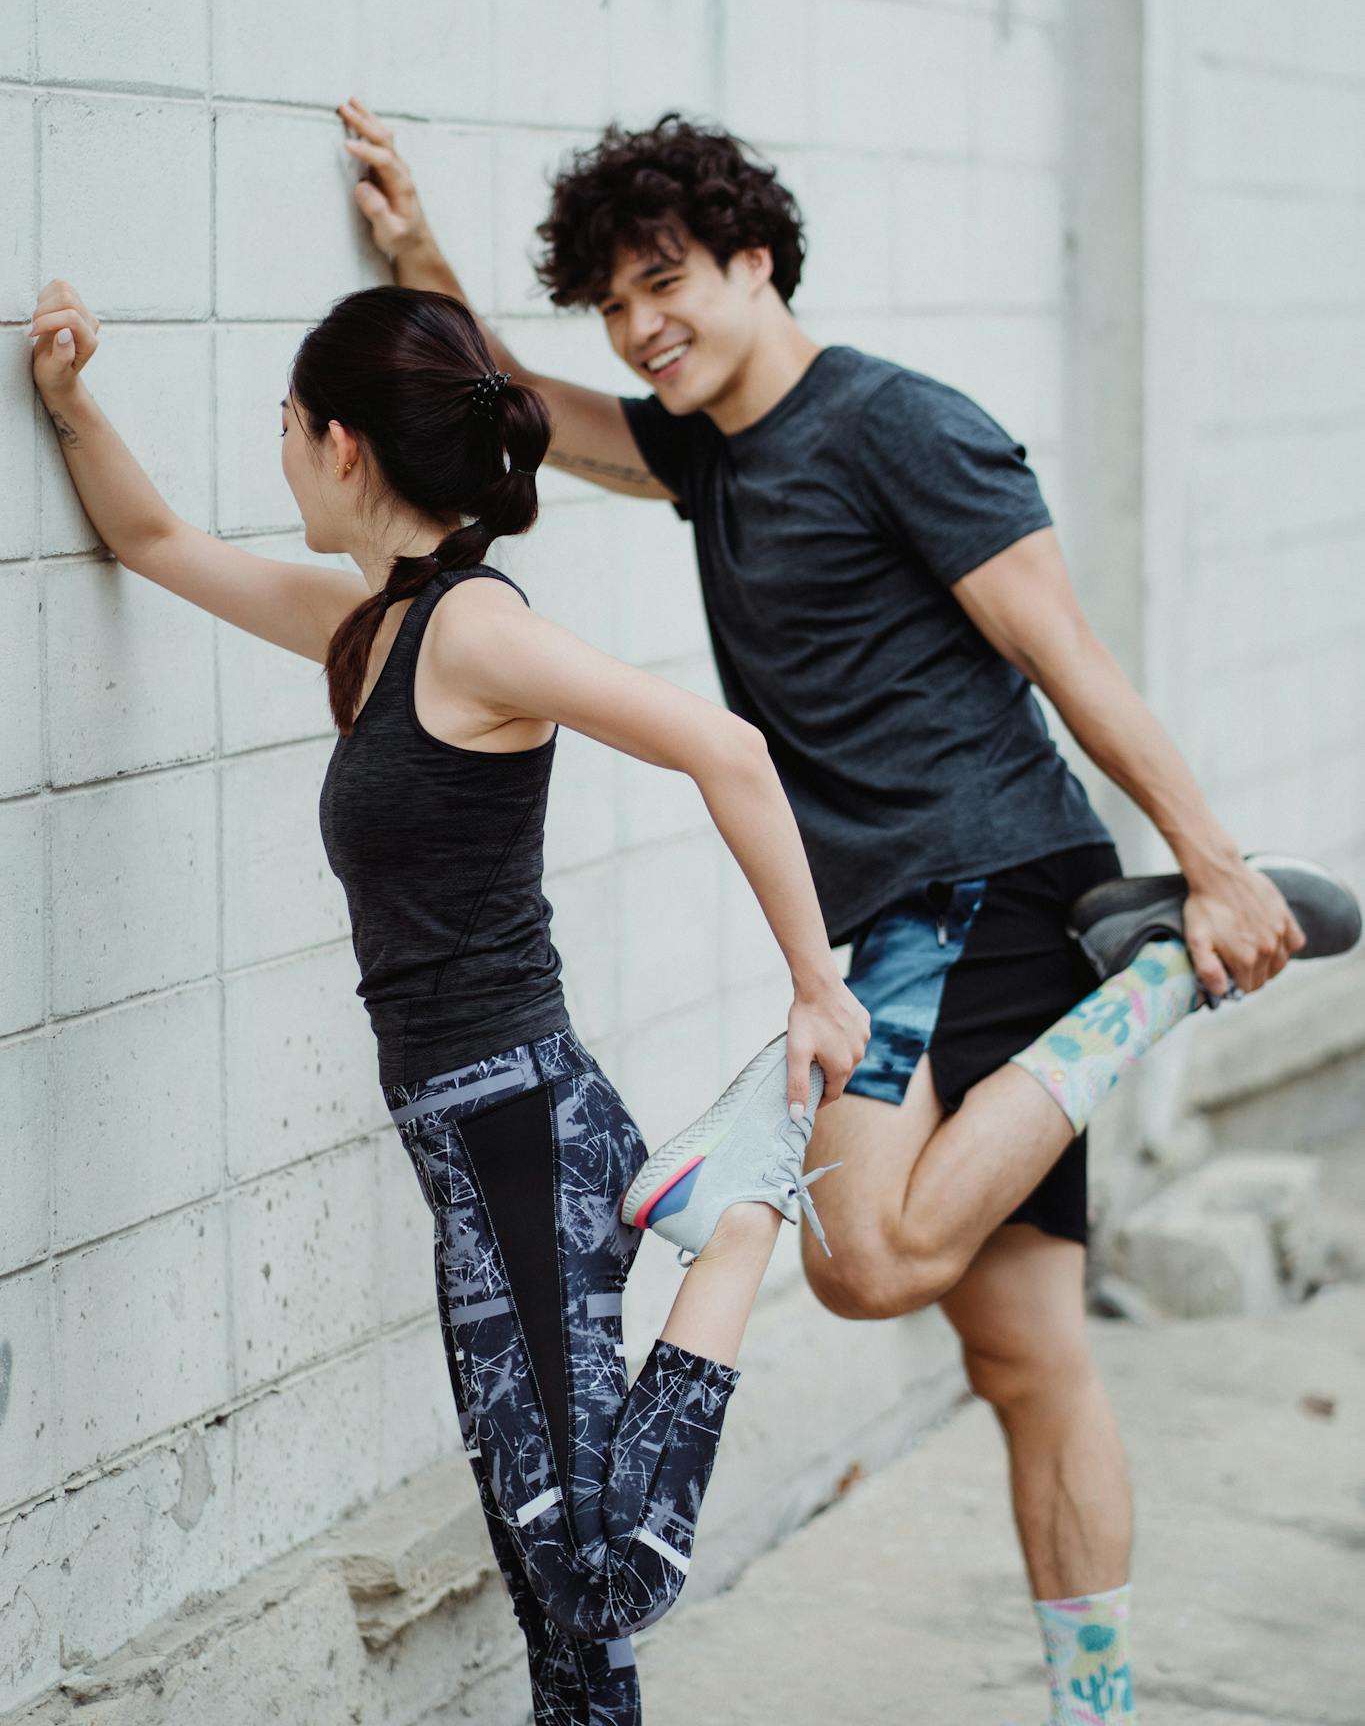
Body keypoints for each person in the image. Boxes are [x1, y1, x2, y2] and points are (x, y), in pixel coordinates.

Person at [334, 96, 1344, 1725]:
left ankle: (1158, 978)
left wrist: (1210, 861)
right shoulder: (707, 447)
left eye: (664, 282)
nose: (640, 328)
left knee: (867, 1262)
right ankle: (1096, 1711)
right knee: (1026, 1360)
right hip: (949, 912)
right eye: (611, 303)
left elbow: (1064, 656)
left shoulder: (898, 427)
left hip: (988, 889)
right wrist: (425, 259)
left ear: (753, 260)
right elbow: (552, 417)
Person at [27, 273, 869, 1726]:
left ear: (343, 445)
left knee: (597, 1575)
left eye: (288, 426)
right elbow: (152, 537)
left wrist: (814, 988)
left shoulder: (473, 631)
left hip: (516, 1137)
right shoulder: (374, 630)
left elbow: (725, 748)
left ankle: (735, 1216)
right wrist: (67, 396)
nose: (279, 454)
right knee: (563, 1628)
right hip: (488, 1150)